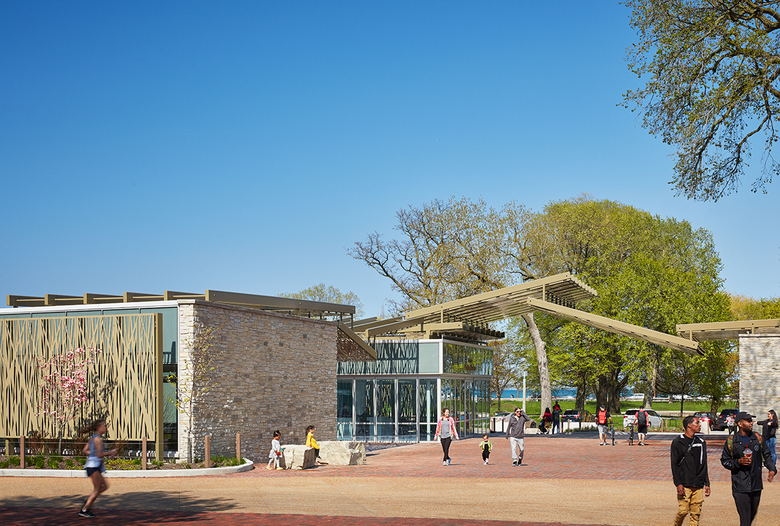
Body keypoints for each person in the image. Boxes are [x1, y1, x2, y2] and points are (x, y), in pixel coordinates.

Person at [720, 411, 777, 526]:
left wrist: (772, 469)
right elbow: (725, 461)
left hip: (756, 485)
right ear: (740, 424)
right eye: (748, 421)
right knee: (745, 519)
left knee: (751, 515)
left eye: (751, 421)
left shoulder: (758, 438)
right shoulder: (731, 441)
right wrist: (738, 462)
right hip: (740, 486)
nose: (751, 423)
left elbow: (767, 455)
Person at [670, 416, 711, 526]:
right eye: (697, 423)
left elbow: (704, 463)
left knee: (695, 513)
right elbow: (674, 464)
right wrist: (678, 483)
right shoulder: (678, 442)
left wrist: (707, 483)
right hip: (684, 483)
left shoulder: (701, 442)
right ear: (689, 425)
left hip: (698, 484)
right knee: (683, 510)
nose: (699, 425)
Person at [79, 419, 118, 518]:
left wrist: (93, 454)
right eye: (104, 426)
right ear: (98, 428)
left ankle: (89, 500)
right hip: (93, 466)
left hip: (94, 466)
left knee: (105, 486)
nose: (105, 427)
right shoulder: (98, 439)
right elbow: (99, 454)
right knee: (97, 489)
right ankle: (84, 510)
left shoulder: (93, 438)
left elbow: (85, 450)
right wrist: (110, 452)